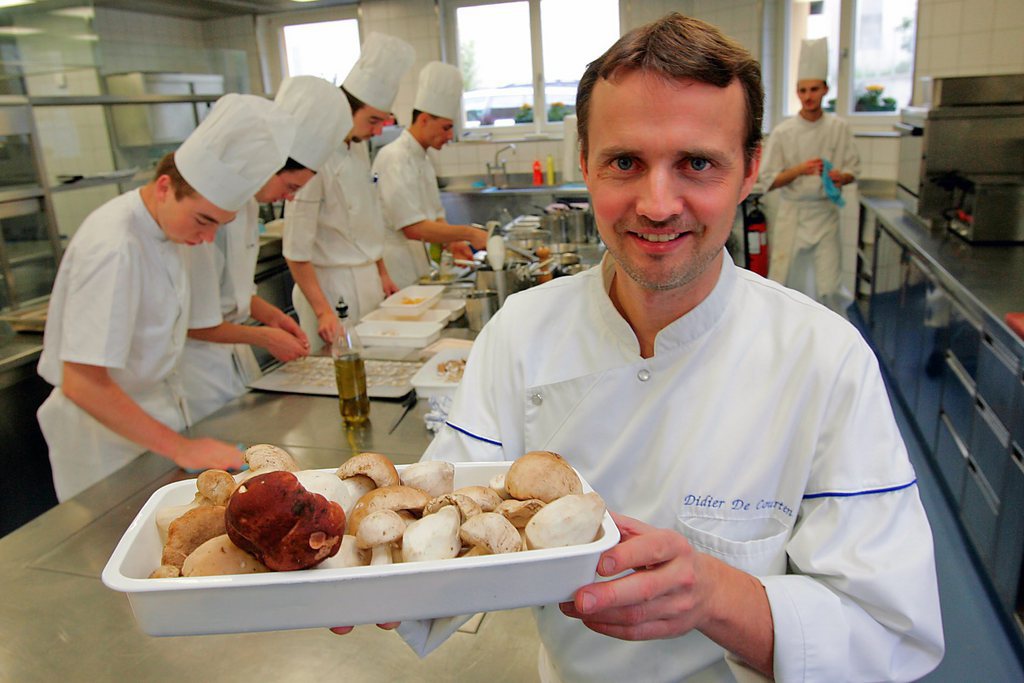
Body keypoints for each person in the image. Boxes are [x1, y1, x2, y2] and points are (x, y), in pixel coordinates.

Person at [413, 13, 943, 682]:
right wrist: (350, 573)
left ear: (750, 169)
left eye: (696, 163)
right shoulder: (520, 332)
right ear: (585, 164)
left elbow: (889, 630)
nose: (658, 204)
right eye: (626, 162)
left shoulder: (825, 359)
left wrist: (715, 594)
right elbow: (435, 532)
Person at [36, 94, 294, 501]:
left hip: (152, 416)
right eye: (203, 220)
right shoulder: (114, 245)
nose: (207, 238)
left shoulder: (170, 231)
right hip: (100, 436)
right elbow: (82, 382)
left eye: (219, 225)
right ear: (163, 188)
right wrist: (182, 447)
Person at [181, 76, 349, 422]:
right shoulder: (207, 216)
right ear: (267, 166)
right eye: (289, 186)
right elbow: (193, 319)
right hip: (195, 369)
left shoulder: (247, 206)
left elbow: (233, 292)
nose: (289, 198)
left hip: (228, 361)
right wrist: (264, 336)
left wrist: (273, 317)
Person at [284, 32, 415, 348]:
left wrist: (381, 272)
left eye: (382, 121)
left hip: (368, 281)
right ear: (346, 109)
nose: (377, 130)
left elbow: (368, 220)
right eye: (373, 120)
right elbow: (296, 251)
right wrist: (323, 311)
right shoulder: (314, 156)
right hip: (331, 287)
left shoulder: (357, 148)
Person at [757, 37, 860, 313]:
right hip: (793, 214)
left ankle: (835, 341)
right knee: (784, 279)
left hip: (825, 214)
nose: (808, 96)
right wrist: (799, 170)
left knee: (830, 283)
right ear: (797, 93)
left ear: (825, 89)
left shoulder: (838, 128)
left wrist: (841, 177)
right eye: (802, 90)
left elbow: (853, 170)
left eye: (814, 89)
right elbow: (768, 180)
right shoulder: (784, 133)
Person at [374, 61, 488, 288]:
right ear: (424, 119)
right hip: (396, 268)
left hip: (420, 264)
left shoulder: (423, 159)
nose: (449, 136)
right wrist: (468, 234)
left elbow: (435, 215)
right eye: (446, 128)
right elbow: (413, 228)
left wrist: (452, 243)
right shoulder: (394, 158)